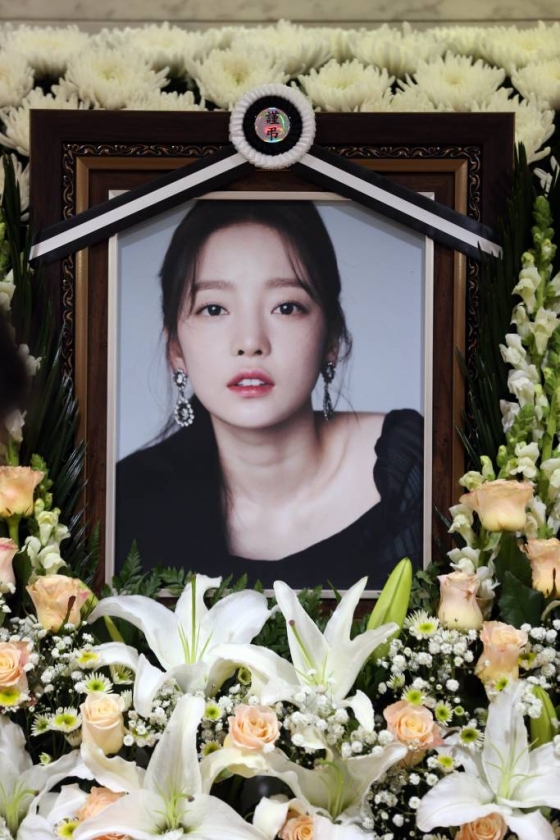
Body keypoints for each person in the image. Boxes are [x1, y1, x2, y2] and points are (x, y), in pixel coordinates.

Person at [116, 200, 423, 589]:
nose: (250, 342)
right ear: (176, 348)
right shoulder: (126, 501)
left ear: (331, 338)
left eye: (286, 307)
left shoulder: (406, 465)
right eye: (214, 309)